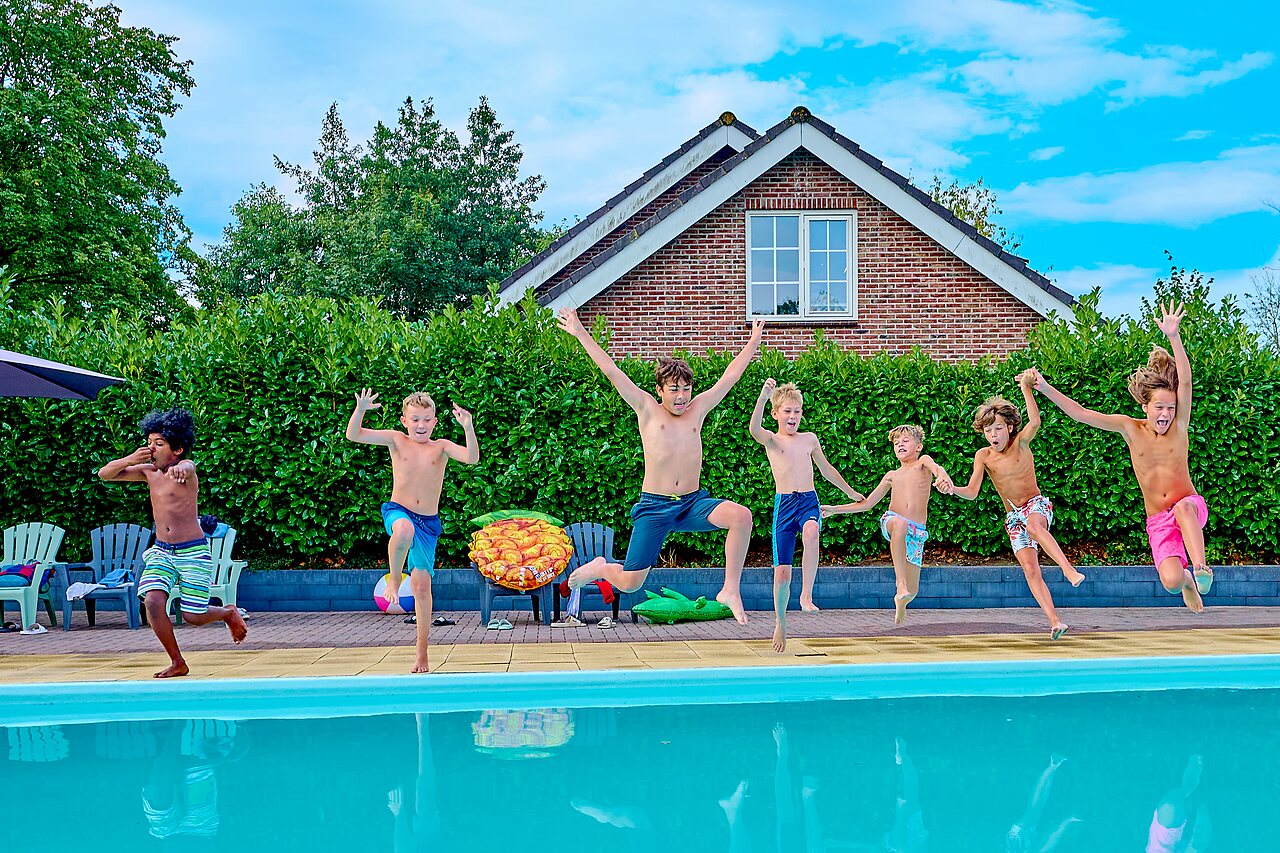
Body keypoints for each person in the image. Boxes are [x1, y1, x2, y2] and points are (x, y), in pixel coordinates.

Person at [558, 308, 764, 623]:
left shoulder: (698, 409)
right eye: (674, 390)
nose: (681, 397)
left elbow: (730, 377)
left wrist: (753, 341)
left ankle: (730, 590)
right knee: (629, 584)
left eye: (686, 389)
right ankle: (600, 567)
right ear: (659, 390)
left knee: (741, 517)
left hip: (693, 502)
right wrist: (579, 331)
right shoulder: (646, 410)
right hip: (655, 507)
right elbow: (611, 370)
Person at [1033, 302, 1211, 613]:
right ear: (1146, 407)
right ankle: (1184, 580)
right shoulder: (1130, 428)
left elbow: (1186, 379)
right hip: (1159, 520)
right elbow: (1081, 414)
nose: (1166, 414)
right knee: (1168, 581)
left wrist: (1174, 336)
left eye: (1171, 408)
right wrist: (1045, 388)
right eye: (1159, 407)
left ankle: (1200, 568)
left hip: (1190, 509)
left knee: (1183, 506)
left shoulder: (1180, 426)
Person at [98, 408, 247, 678]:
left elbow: (190, 467)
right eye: (149, 443)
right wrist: (131, 458)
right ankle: (178, 661)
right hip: (161, 551)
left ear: (177, 449)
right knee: (153, 602)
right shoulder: (148, 472)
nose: (151, 449)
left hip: (192, 551)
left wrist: (182, 467)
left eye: (159, 444)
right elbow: (105, 474)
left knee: (194, 616)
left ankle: (226, 613)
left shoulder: (185, 471)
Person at [942, 371, 1086, 639]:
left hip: (1036, 506)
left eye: (998, 428)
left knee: (1034, 527)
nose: (993, 435)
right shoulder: (983, 456)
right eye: (988, 431)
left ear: (1009, 427)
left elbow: (1035, 420)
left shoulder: (1020, 442)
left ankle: (1068, 569)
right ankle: (1055, 622)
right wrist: (953, 489)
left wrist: (1026, 388)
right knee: (1030, 569)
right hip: (1014, 518)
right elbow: (972, 492)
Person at [346, 389, 478, 672]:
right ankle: (394, 579)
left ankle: (422, 652)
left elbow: (471, 458)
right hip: (399, 511)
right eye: (415, 419)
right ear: (404, 420)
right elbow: (354, 435)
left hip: (428, 524)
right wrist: (361, 410)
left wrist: (468, 428)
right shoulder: (396, 440)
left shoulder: (440, 447)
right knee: (403, 531)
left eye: (427, 420)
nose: (421, 425)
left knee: (421, 586)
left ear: (435, 422)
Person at [750, 378, 864, 651]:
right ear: (776, 414)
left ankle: (806, 595)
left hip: (808, 500)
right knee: (782, 574)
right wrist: (764, 397)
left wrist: (849, 491)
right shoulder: (773, 440)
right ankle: (780, 622)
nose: (793, 417)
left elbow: (826, 469)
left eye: (797, 411)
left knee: (812, 532)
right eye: (787, 411)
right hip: (784, 505)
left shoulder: (809, 439)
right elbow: (754, 428)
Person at [822, 425, 953, 625]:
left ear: (918, 447)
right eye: (896, 442)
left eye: (905, 441)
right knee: (899, 524)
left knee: (913, 591)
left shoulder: (922, 463)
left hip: (916, 532)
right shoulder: (892, 475)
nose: (900, 444)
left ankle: (901, 602)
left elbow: (937, 468)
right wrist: (834, 509)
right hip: (892, 521)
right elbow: (867, 504)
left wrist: (942, 477)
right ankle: (899, 585)